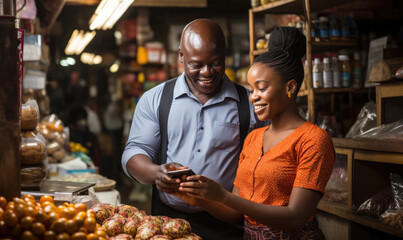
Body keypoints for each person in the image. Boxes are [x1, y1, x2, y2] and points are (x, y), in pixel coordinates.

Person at [175, 27, 335, 239]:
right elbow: (235, 212)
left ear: (290, 87)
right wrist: (200, 198)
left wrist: (222, 195)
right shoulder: (253, 138)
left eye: (262, 88)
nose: (252, 97)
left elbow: (296, 218)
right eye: (251, 89)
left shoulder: (313, 140)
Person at [121, 18, 267, 239]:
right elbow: (134, 152)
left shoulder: (250, 104)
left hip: (228, 225)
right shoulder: (156, 100)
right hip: (168, 222)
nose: (207, 72)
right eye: (196, 64)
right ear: (181, 56)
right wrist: (156, 173)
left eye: (216, 63)